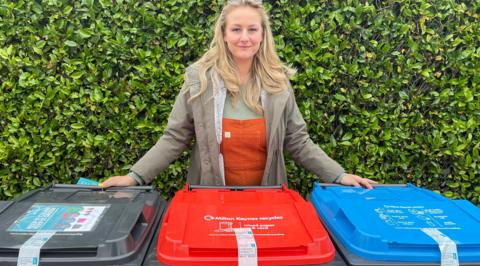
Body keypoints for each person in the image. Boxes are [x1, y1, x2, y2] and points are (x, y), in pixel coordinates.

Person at [101, 0, 376, 189]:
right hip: (210, 198)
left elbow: (299, 141)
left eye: (252, 29)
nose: (244, 37)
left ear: (262, 34)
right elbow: (174, 137)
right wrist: (134, 177)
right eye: (236, 29)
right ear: (223, 34)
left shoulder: (278, 84)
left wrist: (338, 175)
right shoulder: (199, 80)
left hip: (266, 199)